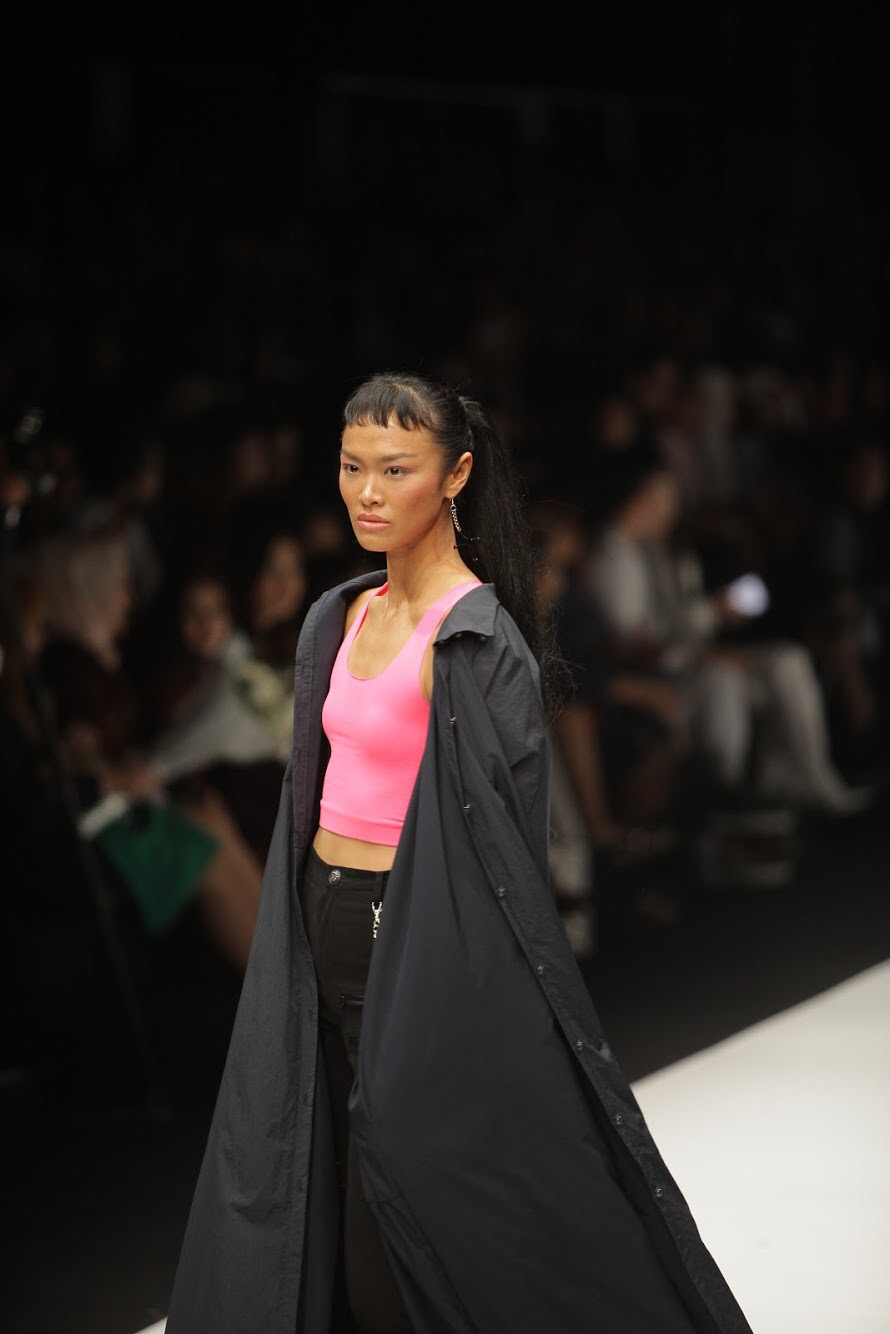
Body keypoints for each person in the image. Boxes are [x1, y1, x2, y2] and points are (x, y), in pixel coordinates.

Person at [164, 373, 752, 1333]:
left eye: (396, 469)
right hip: (318, 923)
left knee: (408, 1213)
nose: (366, 492)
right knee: (310, 1186)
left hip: (413, 935)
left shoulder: (476, 639)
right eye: (352, 467)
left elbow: (506, 852)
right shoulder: (338, 617)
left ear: (456, 476)